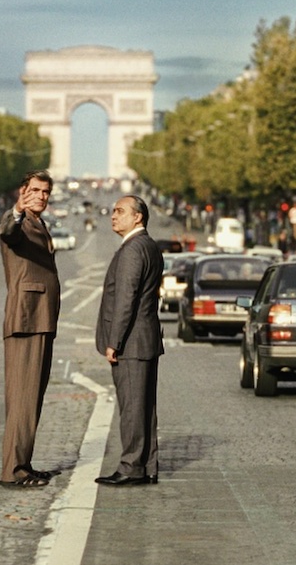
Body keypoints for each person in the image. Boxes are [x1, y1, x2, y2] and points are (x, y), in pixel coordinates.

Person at [0, 169, 62, 489]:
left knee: (30, 397)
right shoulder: (19, 221)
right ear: (22, 192)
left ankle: (23, 463)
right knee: (22, 398)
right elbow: (7, 231)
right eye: (35, 190)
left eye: (46, 192)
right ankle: (13, 470)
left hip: (39, 318)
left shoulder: (39, 223)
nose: (41, 196)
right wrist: (17, 211)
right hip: (27, 318)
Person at [95, 194, 164, 486]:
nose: (113, 215)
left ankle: (131, 467)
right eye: (113, 211)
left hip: (132, 342)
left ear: (138, 217)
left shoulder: (132, 250)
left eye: (120, 211)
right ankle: (147, 465)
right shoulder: (149, 245)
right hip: (145, 339)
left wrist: (115, 341)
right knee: (144, 407)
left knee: (132, 408)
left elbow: (126, 299)